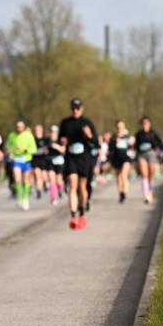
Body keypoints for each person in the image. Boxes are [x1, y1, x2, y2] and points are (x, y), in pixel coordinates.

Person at [59, 98, 99, 229]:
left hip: (84, 158)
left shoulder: (87, 123)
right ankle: (72, 216)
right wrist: (62, 141)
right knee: (72, 185)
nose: (75, 111)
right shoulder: (65, 123)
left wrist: (89, 135)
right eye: (73, 108)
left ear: (82, 109)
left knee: (82, 187)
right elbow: (60, 139)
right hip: (71, 157)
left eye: (77, 108)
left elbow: (96, 143)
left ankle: (82, 214)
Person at [5, 120, 37, 211]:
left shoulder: (28, 135)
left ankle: (25, 198)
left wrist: (25, 149)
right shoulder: (12, 135)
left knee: (26, 179)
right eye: (17, 126)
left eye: (20, 126)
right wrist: (10, 150)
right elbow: (8, 146)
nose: (18, 128)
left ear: (23, 127)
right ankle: (20, 197)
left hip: (26, 159)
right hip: (16, 159)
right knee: (17, 178)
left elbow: (34, 148)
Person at [134, 116, 163, 204]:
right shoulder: (138, 134)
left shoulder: (153, 133)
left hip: (151, 153)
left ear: (149, 124)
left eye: (146, 123)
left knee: (151, 173)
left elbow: (160, 142)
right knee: (144, 174)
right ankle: (146, 194)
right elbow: (136, 145)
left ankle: (150, 190)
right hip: (141, 154)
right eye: (143, 124)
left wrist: (155, 146)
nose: (144, 125)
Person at [109, 120, 134, 203]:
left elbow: (132, 147)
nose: (120, 128)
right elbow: (111, 148)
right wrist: (116, 140)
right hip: (116, 158)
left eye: (121, 126)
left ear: (124, 126)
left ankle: (125, 193)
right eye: (118, 127)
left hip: (126, 158)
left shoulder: (128, 136)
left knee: (124, 175)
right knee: (119, 177)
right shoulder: (114, 136)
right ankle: (121, 193)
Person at [47, 125, 65, 206]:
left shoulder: (60, 140)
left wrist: (57, 147)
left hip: (59, 161)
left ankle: (61, 190)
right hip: (50, 161)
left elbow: (64, 150)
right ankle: (54, 197)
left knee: (59, 180)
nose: (53, 134)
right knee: (51, 179)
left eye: (54, 132)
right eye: (51, 132)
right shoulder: (48, 141)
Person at [31, 124, 51, 200]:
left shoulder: (46, 139)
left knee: (44, 176)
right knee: (37, 175)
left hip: (44, 159)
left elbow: (49, 148)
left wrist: (46, 150)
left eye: (39, 129)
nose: (37, 131)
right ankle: (38, 191)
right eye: (36, 129)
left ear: (42, 130)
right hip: (35, 160)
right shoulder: (32, 139)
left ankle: (45, 183)